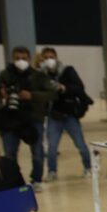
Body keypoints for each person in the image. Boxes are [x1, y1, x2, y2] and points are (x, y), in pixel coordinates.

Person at [0, 46, 57, 189]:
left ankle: (37, 180)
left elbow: (52, 94)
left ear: (29, 59)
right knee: (9, 153)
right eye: (17, 58)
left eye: (24, 59)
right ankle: (13, 181)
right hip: (11, 119)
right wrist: (1, 92)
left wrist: (32, 95)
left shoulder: (38, 76)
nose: (20, 61)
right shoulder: (5, 75)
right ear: (12, 59)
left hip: (33, 119)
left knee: (37, 152)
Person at [40, 47, 93, 180]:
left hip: (70, 115)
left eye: (51, 57)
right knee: (51, 147)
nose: (49, 60)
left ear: (56, 58)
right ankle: (52, 171)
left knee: (80, 144)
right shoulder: (41, 75)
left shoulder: (67, 71)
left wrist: (64, 88)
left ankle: (89, 168)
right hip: (53, 115)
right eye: (46, 57)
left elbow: (79, 87)